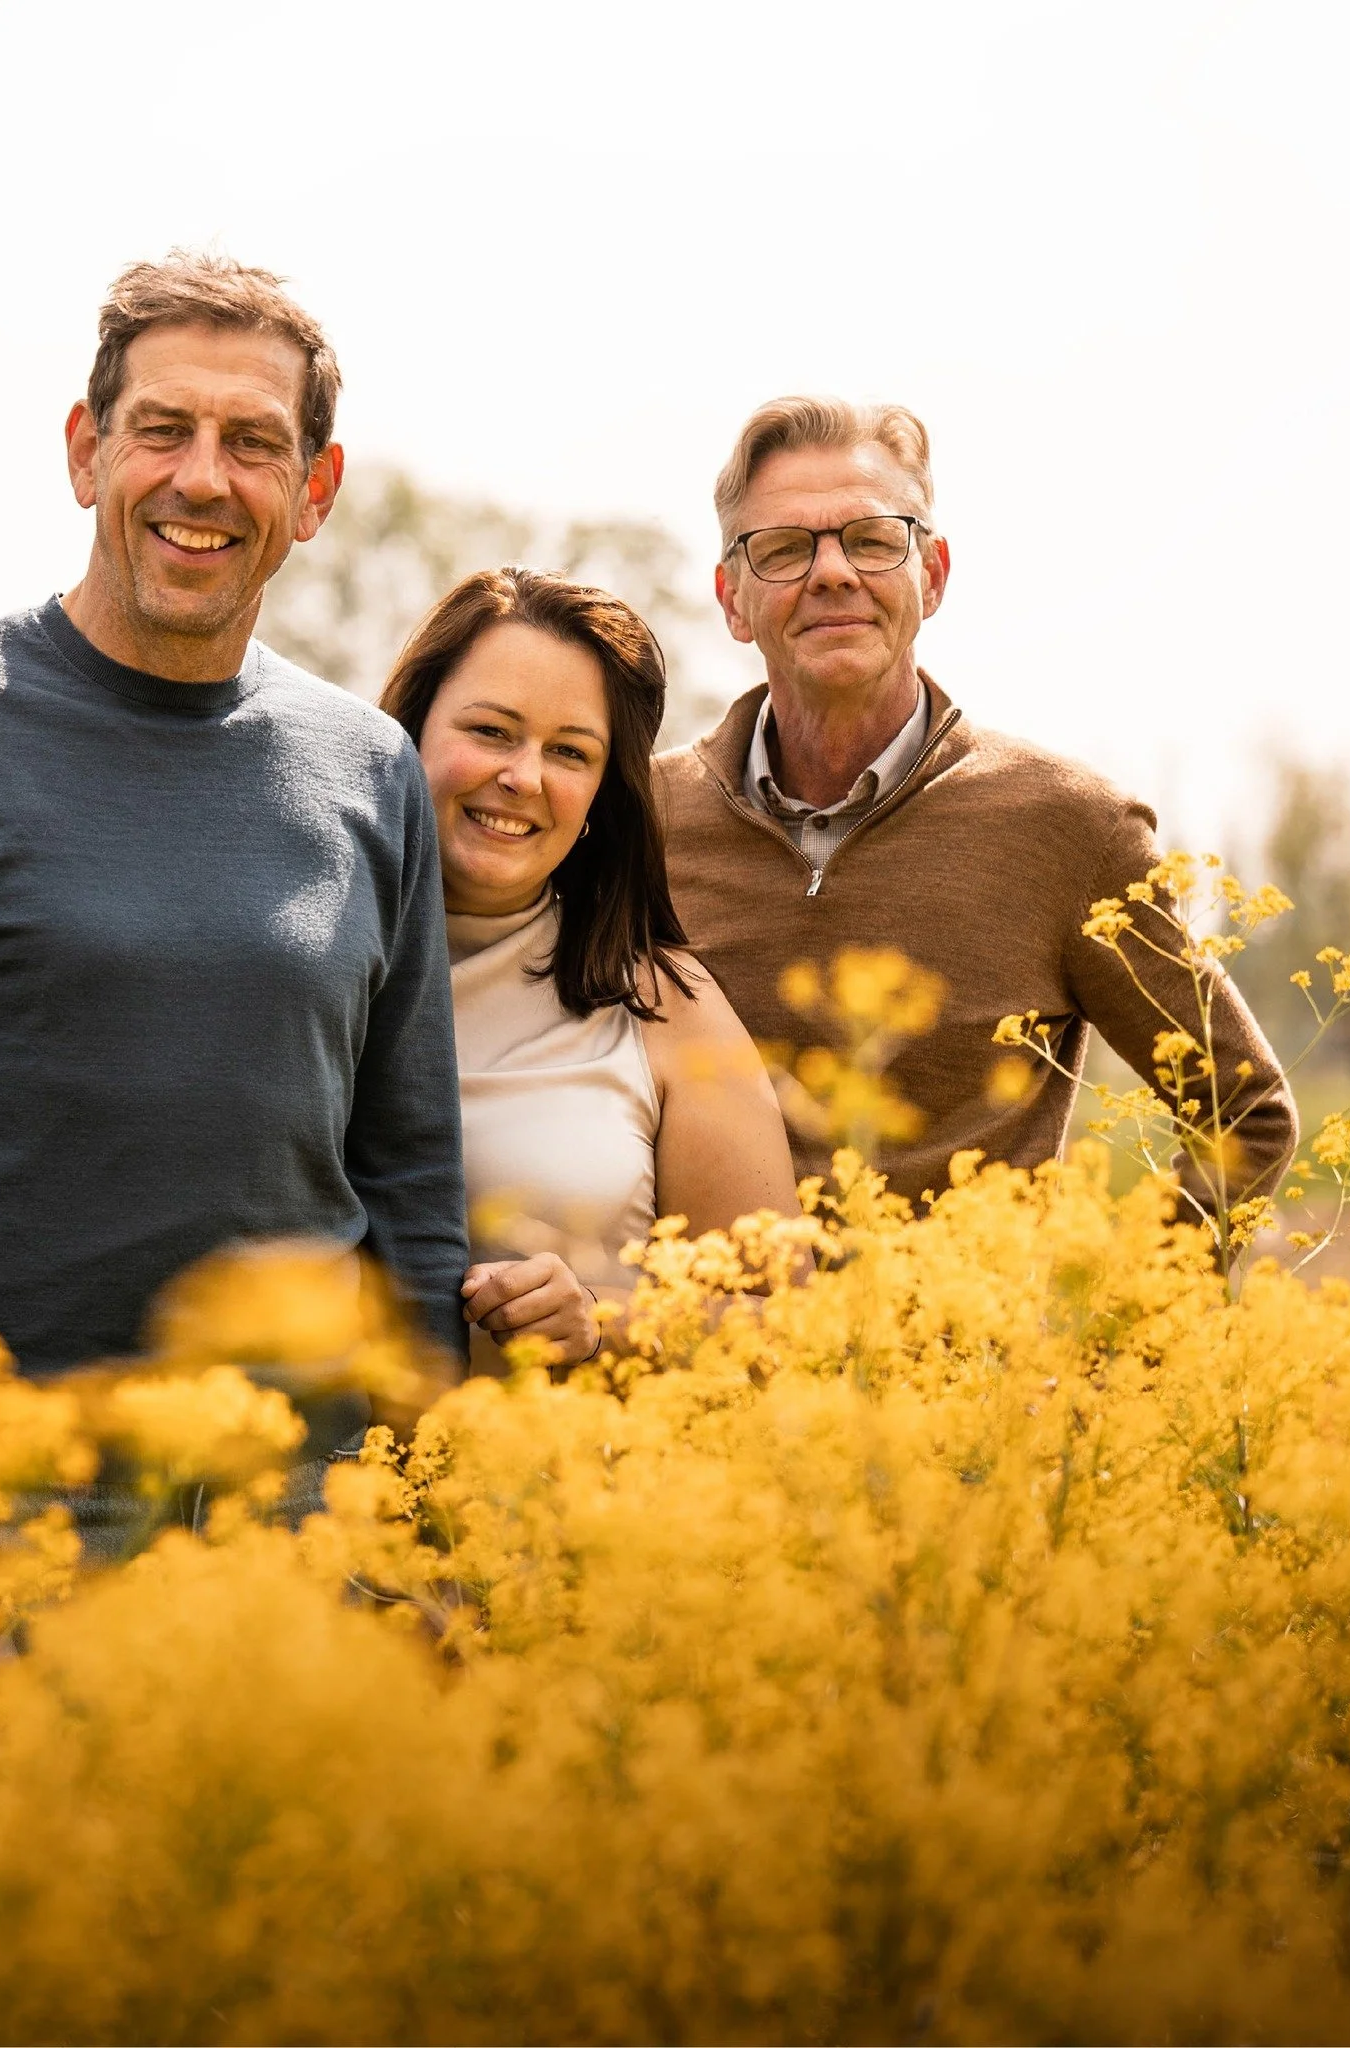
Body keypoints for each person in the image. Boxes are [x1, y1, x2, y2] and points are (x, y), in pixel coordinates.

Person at [0, 253, 470, 1533]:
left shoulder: (371, 767)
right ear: (88, 452)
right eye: (163, 430)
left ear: (313, 490)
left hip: (295, 1520)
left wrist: (416, 1507)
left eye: (253, 442)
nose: (203, 477)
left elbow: (410, 1176)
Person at [656, 396, 1297, 1225]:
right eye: (782, 549)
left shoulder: (1073, 829)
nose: (833, 572)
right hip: (692, 1351)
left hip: (975, 1357)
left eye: (874, 539)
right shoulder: (638, 819)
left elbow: (1246, 1113)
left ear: (933, 575)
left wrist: (1118, 1326)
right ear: (732, 601)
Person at [380, 567, 796, 1373]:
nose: (524, 778)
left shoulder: (664, 1007)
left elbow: (787, 1321)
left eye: (570, 751)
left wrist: (607, 1321)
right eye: (492, 731)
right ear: (409, 730)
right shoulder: (304, 967)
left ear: (604, 792)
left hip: (567, 1490)